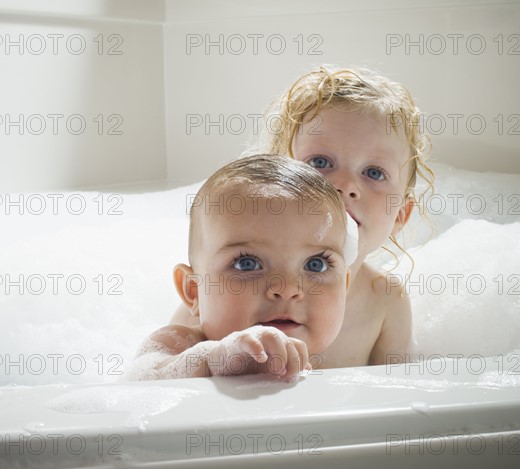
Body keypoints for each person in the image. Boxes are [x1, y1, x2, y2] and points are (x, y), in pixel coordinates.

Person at [165, 66, 434, 368]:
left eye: (374, 173)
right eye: (320, 162)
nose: (344, 186)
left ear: (400, 215)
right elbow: (148, 380)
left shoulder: (385, 302)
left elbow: (397, 398)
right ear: (275, 176)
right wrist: (211, 358)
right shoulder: (219, 292)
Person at [128, 154, 357, 381]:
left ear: (344, 287)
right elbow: (142, 379)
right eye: (247, 264)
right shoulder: (181, 342)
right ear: (193, 290)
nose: (287, 288)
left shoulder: (351, 359)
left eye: (316, 265)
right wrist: (214, 358)